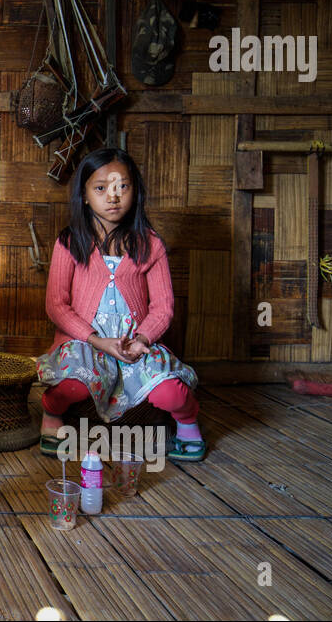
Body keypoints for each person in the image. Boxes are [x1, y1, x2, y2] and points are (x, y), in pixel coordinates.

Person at [37, 147, 207, 462]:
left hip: (135, 346)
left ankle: (187, 423)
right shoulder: (70, 242)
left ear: (135, 191)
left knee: (173, 392)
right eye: (101, 188)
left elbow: (163, 307)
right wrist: (97, 340)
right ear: (85, 195)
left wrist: (142, 340)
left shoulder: (150, 243)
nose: (113, 196)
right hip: (86, 342)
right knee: (68, 388)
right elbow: (56, 306)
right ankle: (51, 416)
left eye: (122, 187)